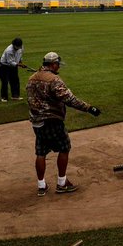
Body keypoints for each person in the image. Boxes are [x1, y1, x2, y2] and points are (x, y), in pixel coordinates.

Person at [26, 51, 100, 196]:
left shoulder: (32, 78)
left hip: (36, 122)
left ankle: (41, 186)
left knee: (41, 152)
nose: (59, 66)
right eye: (58, 64)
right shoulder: (54, 80)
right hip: (52, 121)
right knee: (64, 147)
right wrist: (89, 108)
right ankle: (62, 183)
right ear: (53, 64)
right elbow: (70, 99)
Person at [0, 37, 29, 102]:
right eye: (17, 46)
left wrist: (20, 62)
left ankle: (15, 96)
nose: (18, 48)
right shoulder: (9, 50)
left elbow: (20, 55)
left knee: (15, 80)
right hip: (4, 66)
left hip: (14, 65)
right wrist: (19, 65)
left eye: (19, 46)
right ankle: (4, 97)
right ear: (13, 45)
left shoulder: (21, 47)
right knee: (5, 82)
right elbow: (10, 62)